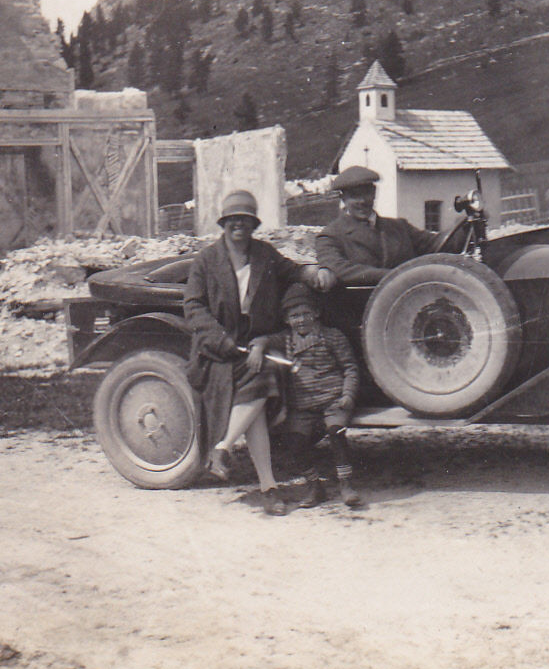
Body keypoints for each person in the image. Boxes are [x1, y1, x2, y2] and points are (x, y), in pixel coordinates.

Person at [183, 189, 331, 516]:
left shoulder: (265, 255)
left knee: (261, 376)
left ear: (253, 225)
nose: (239, 225)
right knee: (258, 397)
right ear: (224, 224)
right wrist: (220, 340)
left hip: (253, 347)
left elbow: (293, 271)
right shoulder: (206, 261)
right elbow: (193, 307)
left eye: (246, 220)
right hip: (218, 353)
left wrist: (314, 273)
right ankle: (260, 481)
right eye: (233, 219)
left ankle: (232, 458)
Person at [260, 283, 363, 508]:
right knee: (295, 442)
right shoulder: (286, 340)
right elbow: (265, 340)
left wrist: (347, 395)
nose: (301, 320)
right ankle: (314, 485)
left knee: (337, 433)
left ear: (316, 313)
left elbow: (350, 368)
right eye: (294, 316)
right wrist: (259, 346)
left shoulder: (333, 337)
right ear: (287, 320)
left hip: (333, 400)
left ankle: (346, 484)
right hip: (303, 405)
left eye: (306, 313)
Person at [315, 165, 438, 287]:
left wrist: (457, 228)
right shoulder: (330, 236)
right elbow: (338, 268)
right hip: (362, 305)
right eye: (354, 195)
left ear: (374, 193)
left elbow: (438, 244)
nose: (362, 201)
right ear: (343, 199)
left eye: (366, 193)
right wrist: (398, 275)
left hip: (410, 301)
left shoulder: (400, 227)